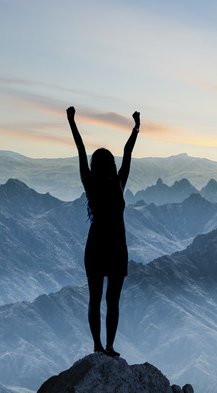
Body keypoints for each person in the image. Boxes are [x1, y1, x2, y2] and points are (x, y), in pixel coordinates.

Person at [67, 106, 139, 357]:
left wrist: (72, 122)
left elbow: (80, 148)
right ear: (111, 165)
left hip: (96, 247)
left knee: (96, 299)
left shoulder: (90, 184)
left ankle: (99, 346)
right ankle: (107, 346)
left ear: (94, 166)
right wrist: (135, 128)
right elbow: (128, 152)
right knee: (111, 301)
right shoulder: (119, 184)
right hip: (117, 247)